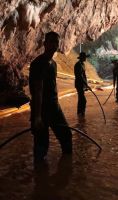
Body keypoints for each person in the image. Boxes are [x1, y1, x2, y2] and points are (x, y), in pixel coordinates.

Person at [29, 31, 72, 163]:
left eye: (56, 42)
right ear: (45, 44)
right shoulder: (38, 63)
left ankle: (66, 170)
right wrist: (37, 117)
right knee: (42, 146)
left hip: (54, 107)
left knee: (66, 136)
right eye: (51, 42)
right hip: (41, 109)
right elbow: (38, 90)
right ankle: (40, 177)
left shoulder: (53, 64)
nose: (54, 45)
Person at [74, 52, 90, 116]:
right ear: (82, 58)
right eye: (85, 57)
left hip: (82, 84)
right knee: (83, 100)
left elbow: (84, 75)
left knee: (81, 99)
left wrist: (86, 85)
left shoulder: (83, 64)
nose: (86, 58)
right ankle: (81, 113)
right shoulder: (78, 65)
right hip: (79, 84)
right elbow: (79, 76)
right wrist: (86, 85)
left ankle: (81, 113)